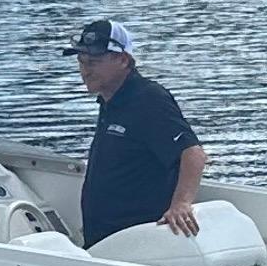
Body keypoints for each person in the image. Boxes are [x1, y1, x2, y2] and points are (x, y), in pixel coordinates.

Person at [68, 15, 204, 245]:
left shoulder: (147, 99)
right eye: (81, 62)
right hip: (105, 241)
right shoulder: (109, 100)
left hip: (136, 241)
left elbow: (193, 154)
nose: (85, 71)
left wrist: (181, 204)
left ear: (122, 60)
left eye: (93, 62)